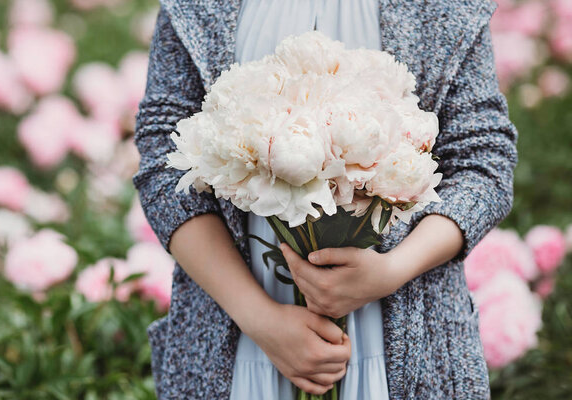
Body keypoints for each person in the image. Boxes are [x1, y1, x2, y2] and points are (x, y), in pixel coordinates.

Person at [132, 0, 519, 399]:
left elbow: (482, 161)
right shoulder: (198, 6)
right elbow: (165, 162)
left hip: (410, 347)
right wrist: (260, 319)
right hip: (235, 340)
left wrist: (391, 271)